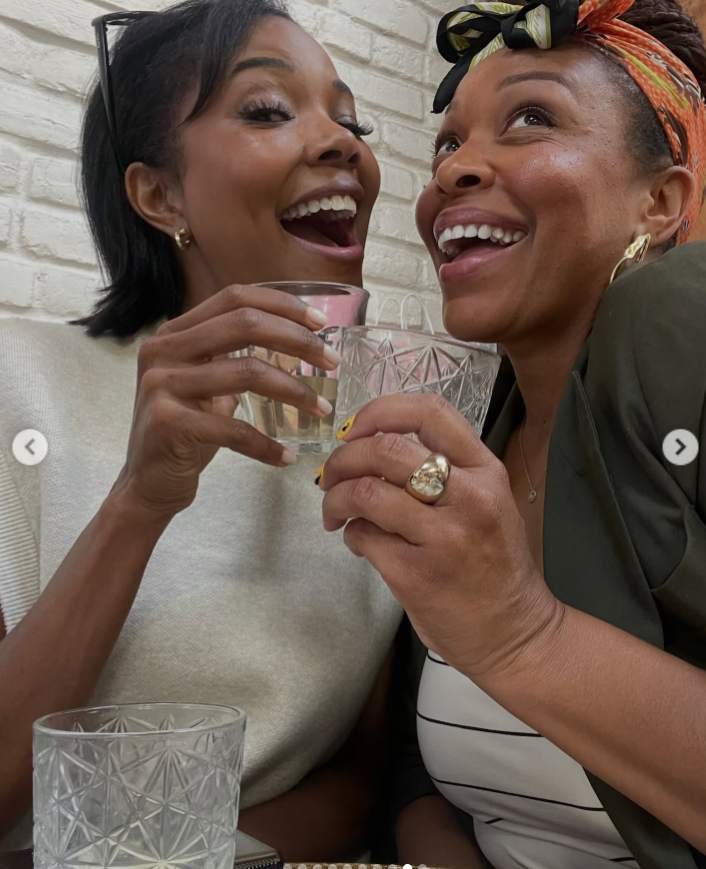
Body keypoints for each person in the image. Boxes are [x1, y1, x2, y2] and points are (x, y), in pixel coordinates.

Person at [0, 0, 402, 857]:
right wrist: (141, 500)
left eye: (352, 119)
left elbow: (362, 779)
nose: (344, 145)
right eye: (266, 109)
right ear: (159, 193)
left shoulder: (383, 434)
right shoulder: (16, 384)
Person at [318, 0, 706, 867]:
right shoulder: (478, 423)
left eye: (532, 118)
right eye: (447, 145)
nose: (454, 172)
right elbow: (425, 773)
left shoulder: (682, 316)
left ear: (661, 201)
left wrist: (523, 635)